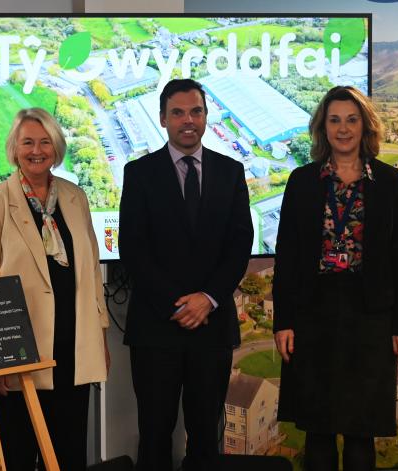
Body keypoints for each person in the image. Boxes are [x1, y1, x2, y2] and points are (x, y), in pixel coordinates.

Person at [271, 85, 398, 471]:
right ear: (323, 128)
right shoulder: (302, 182)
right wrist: (283, 320)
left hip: (370, 319)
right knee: (317, 433)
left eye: (352, 119)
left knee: (360, 434)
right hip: (313, 316)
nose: (343, 128)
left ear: (365, 126)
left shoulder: (391, 182)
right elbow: (286, 257)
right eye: (334, 120)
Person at [118, 78, 253, 471]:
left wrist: (206, 299)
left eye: (195, 111)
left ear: (206, 116)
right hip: (157, 328)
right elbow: (134, 249)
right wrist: (176, 305)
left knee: (205, 436)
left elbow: (239, 244)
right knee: (155, 435)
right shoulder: (139, 173)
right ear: (162, 119)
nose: (187, 120)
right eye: (177, 112)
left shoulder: (231, 172)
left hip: (211, 328)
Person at [0, 107, 110, 471]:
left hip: (73, 351)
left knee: (69, 455)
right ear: (14, 149)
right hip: (19, 357)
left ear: (57, 148)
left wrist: (101, 337)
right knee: (19, 455)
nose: (37, 150)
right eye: (28, 142)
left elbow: (92, 272)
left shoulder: (76, 197)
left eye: (45, 142)